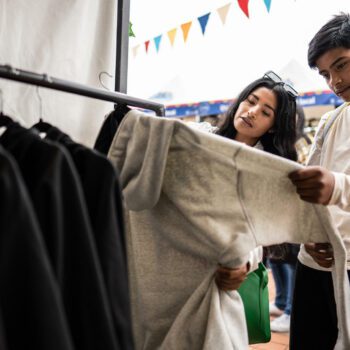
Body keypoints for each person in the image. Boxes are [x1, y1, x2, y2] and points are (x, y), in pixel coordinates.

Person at [288, 12, 350, 349]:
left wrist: (337, 186)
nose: (335, 82)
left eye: (341, 65)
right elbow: (305, 189)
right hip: (313, 263)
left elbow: (331, 184)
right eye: (327, 74)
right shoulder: (330, 119)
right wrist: (306, 235)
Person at [213, 71, 298, 293]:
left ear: (273, 126)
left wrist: (245, 262)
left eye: (265, 112)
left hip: (230, 274)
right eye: (250, 101)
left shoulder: (267, 171)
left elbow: (259, 233)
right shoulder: (202, 139)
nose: (251, 112)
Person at [267, 104, 311, 333]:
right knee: (276, 260)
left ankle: (290, 312)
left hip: (294, 215)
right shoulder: (279, 142)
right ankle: (281, 301)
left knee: (292, 263)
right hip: (276, 214)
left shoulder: (300, 142)